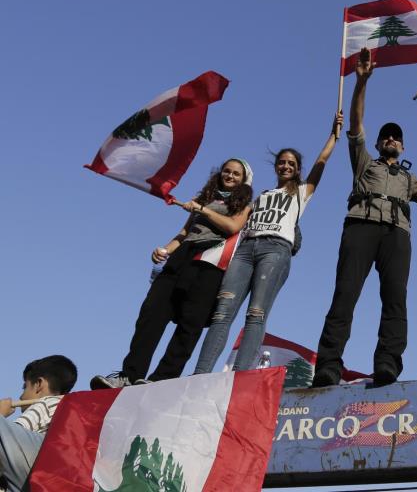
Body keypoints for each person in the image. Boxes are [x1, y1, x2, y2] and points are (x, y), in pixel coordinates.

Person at [311, 48, 417, 388]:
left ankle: (387, 364)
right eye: (386, 135)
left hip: (397, 233)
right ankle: (329, 365)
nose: (391, 138)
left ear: (403, 147)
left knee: (395, 298)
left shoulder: (409, 179)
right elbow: (356, 125)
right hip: (360, 227)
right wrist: (361, 82)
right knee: (345, 295)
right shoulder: (365, 163)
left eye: (397, 137)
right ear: (379, 143)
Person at [193, 113, 343, 373]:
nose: (285, 166)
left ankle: (239, 375)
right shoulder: (261, 196)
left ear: (297, 170)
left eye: (291, 164)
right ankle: (201, 373)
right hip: (245, 251)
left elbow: (321, 161)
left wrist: (333, 135)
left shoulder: (301, 193)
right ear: (276, 167)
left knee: (256, 313)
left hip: (275, 250)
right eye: (282, 162)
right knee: (222, 313)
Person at [91, 159, 253, 389]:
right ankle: (129, 373)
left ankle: (161, 380)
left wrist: (202, 209)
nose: (230, 176)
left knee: (190, 323)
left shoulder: (244, 205)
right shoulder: (204, 199)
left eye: (236, 173)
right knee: (152, 311)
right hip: (182, 256)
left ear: (244, 179)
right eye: (226, 171)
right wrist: (165, 250)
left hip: (211, 261)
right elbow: (184, 233)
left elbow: (232, 227)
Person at [0, 355, 77, 492]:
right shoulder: (69, 407)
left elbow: (11, 442)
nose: (21, 396)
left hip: (39, 461)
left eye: (25, 387)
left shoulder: (46, 403)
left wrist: (1, 414)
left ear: (39, 384)